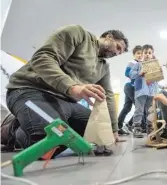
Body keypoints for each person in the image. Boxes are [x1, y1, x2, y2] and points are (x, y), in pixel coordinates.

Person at [5, 24, 129, 156]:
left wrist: (113, 129)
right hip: (30, 91)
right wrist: (72, 87)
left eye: (119, 53)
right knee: (50, 145)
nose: (116, 53)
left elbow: (107, 96)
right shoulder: (78, 34)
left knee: (97, 131)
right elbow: (42, 58)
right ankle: (12, 131)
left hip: (66, 102)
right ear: (109, 37)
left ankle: (33, 121)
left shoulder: (103, 67)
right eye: (118, 47)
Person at [129, 44, 159, 138]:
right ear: (142, 54)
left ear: (152, 54)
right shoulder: (138, 64)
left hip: (152, 92)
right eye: (145, 53)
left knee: (150, 111)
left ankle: (149, 128)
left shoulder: (154, 65)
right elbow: (131, 74)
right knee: (139, 110)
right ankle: (137, 128)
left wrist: (158, 73)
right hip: (141, 91)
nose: (147, 54)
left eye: (149, 53)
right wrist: (139, 73)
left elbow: (157, 79)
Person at [117, 45, 143, 135]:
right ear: (134, 54)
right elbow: (127, 73)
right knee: (140, 107)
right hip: (130, 86)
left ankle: (118, 127)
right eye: (138, 53)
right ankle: (129, 124)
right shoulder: (132, 62)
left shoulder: (141, 64)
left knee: (127, 107)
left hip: (132, 87)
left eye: (141, 54)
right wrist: (139, 74)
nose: (140, 55)